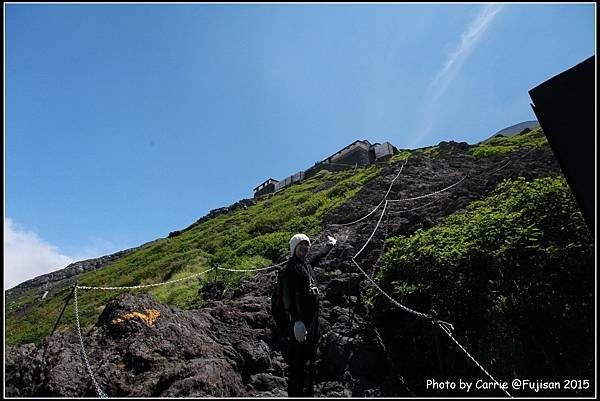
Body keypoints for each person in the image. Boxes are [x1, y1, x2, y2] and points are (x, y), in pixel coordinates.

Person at [280, 233, 336, 397]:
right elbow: (288, 297)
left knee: (310, 356)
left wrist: (330, 245)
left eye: (306, 245)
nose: (304, 248)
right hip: (301, 322)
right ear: (293, 248)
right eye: (301, 245)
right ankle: (297, 393)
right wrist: (297, 321)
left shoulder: (305, 264)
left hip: (312, 320)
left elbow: (318, 256)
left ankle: (307, 390)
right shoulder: (291, 269)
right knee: (299, 359)